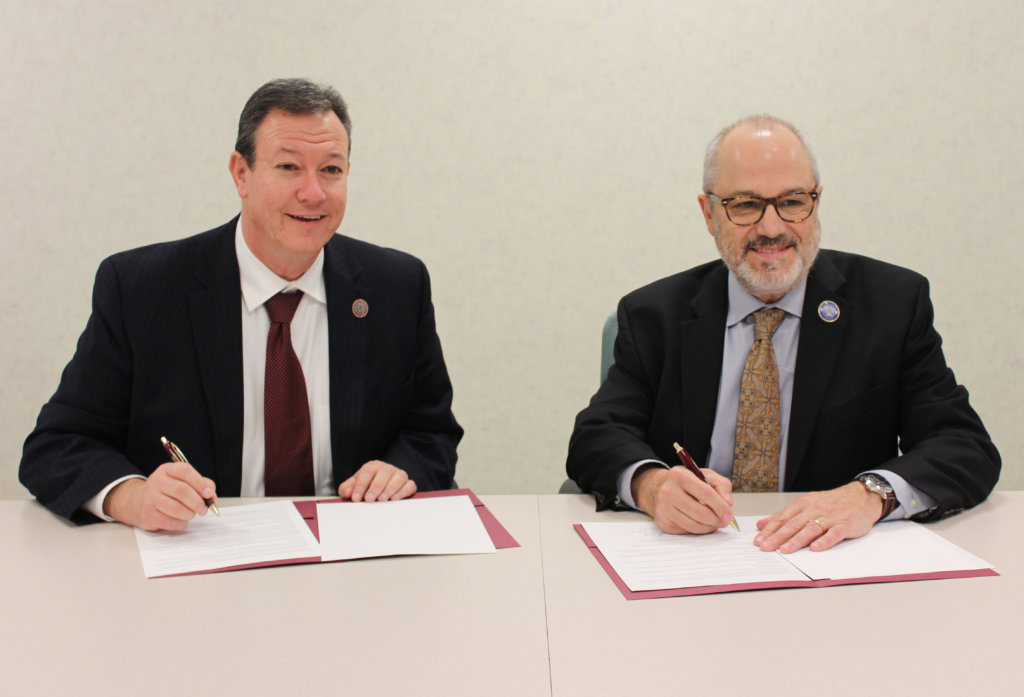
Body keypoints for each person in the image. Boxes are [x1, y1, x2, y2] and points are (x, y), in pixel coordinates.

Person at [21, 78, 463, 531]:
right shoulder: (141, 288)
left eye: (331, 170)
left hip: (352, 554)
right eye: (289, 167)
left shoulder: (396, 286)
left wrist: (399, 471)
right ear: (241, 174)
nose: (313, 193)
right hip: (196, 559)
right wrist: (131, 497)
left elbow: (430, 432)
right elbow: (57, 445)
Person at [567, 114, 999, 554]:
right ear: (709, 214)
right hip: (693, 559)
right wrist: (652, 486)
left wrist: (870, 494)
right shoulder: (652, 315)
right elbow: (596, 436)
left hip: (834, 564)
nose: (771, 228)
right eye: (746, 205)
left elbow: (964, 446)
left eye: (792, 202)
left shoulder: (892, 306)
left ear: (816, 202)